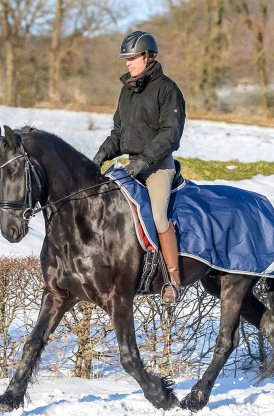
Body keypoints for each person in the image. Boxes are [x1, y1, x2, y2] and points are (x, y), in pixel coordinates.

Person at [93, 30, 186, 303]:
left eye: (132, 58)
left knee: (158, 217)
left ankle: (173, 280)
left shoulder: (168, 89)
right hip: (132, 164)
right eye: (126, 59)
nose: (128, 63)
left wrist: (144, 160)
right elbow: (118, 133)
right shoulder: (126, 91)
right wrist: (100, 155)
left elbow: (171, 133)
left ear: (147, 56)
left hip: (158, 166)